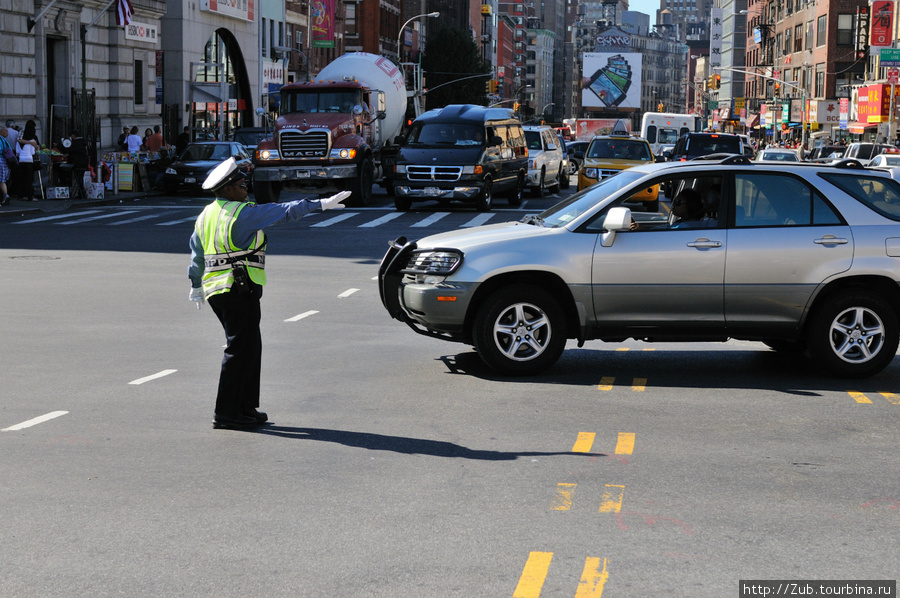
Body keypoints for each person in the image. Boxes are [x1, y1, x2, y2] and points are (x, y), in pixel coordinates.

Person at [188, 158, 351, 430]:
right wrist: (320, 203)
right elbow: (283, 211)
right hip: (238, 286)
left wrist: (195, 286)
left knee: (249, 346)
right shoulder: (242, 213)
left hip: (217, 289)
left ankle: (245, 407)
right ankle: (227, 413)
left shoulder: (206, 214)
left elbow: (196, 255)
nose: (246, 190)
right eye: (241, 185)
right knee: (240, 349)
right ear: (228, 189)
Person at [15, 119, 39, 201]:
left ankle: (21, 195)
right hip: (29, 160)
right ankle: (30, 196)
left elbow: (17, 151)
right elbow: (33, 152)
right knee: (29, 179)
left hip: (21, 160)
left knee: (22, 179)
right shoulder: (33, 141)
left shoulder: (19, 141)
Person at [62, 130, 90, 198]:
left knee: (79, 178)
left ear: (74, 135)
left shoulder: (75, 143)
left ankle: (82, 193)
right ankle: (81, 193)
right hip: (83, 163)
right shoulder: (83, 142)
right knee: (80, 178)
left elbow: (70, 150)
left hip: (78, 163)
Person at [0, 126, 12, 206]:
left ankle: (5, 195)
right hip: (5, 161)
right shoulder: (4, 140)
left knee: (1, 180)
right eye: (6, 131)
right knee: (3, 180)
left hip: (0, 160)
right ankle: (5, 196)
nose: (7, 133)